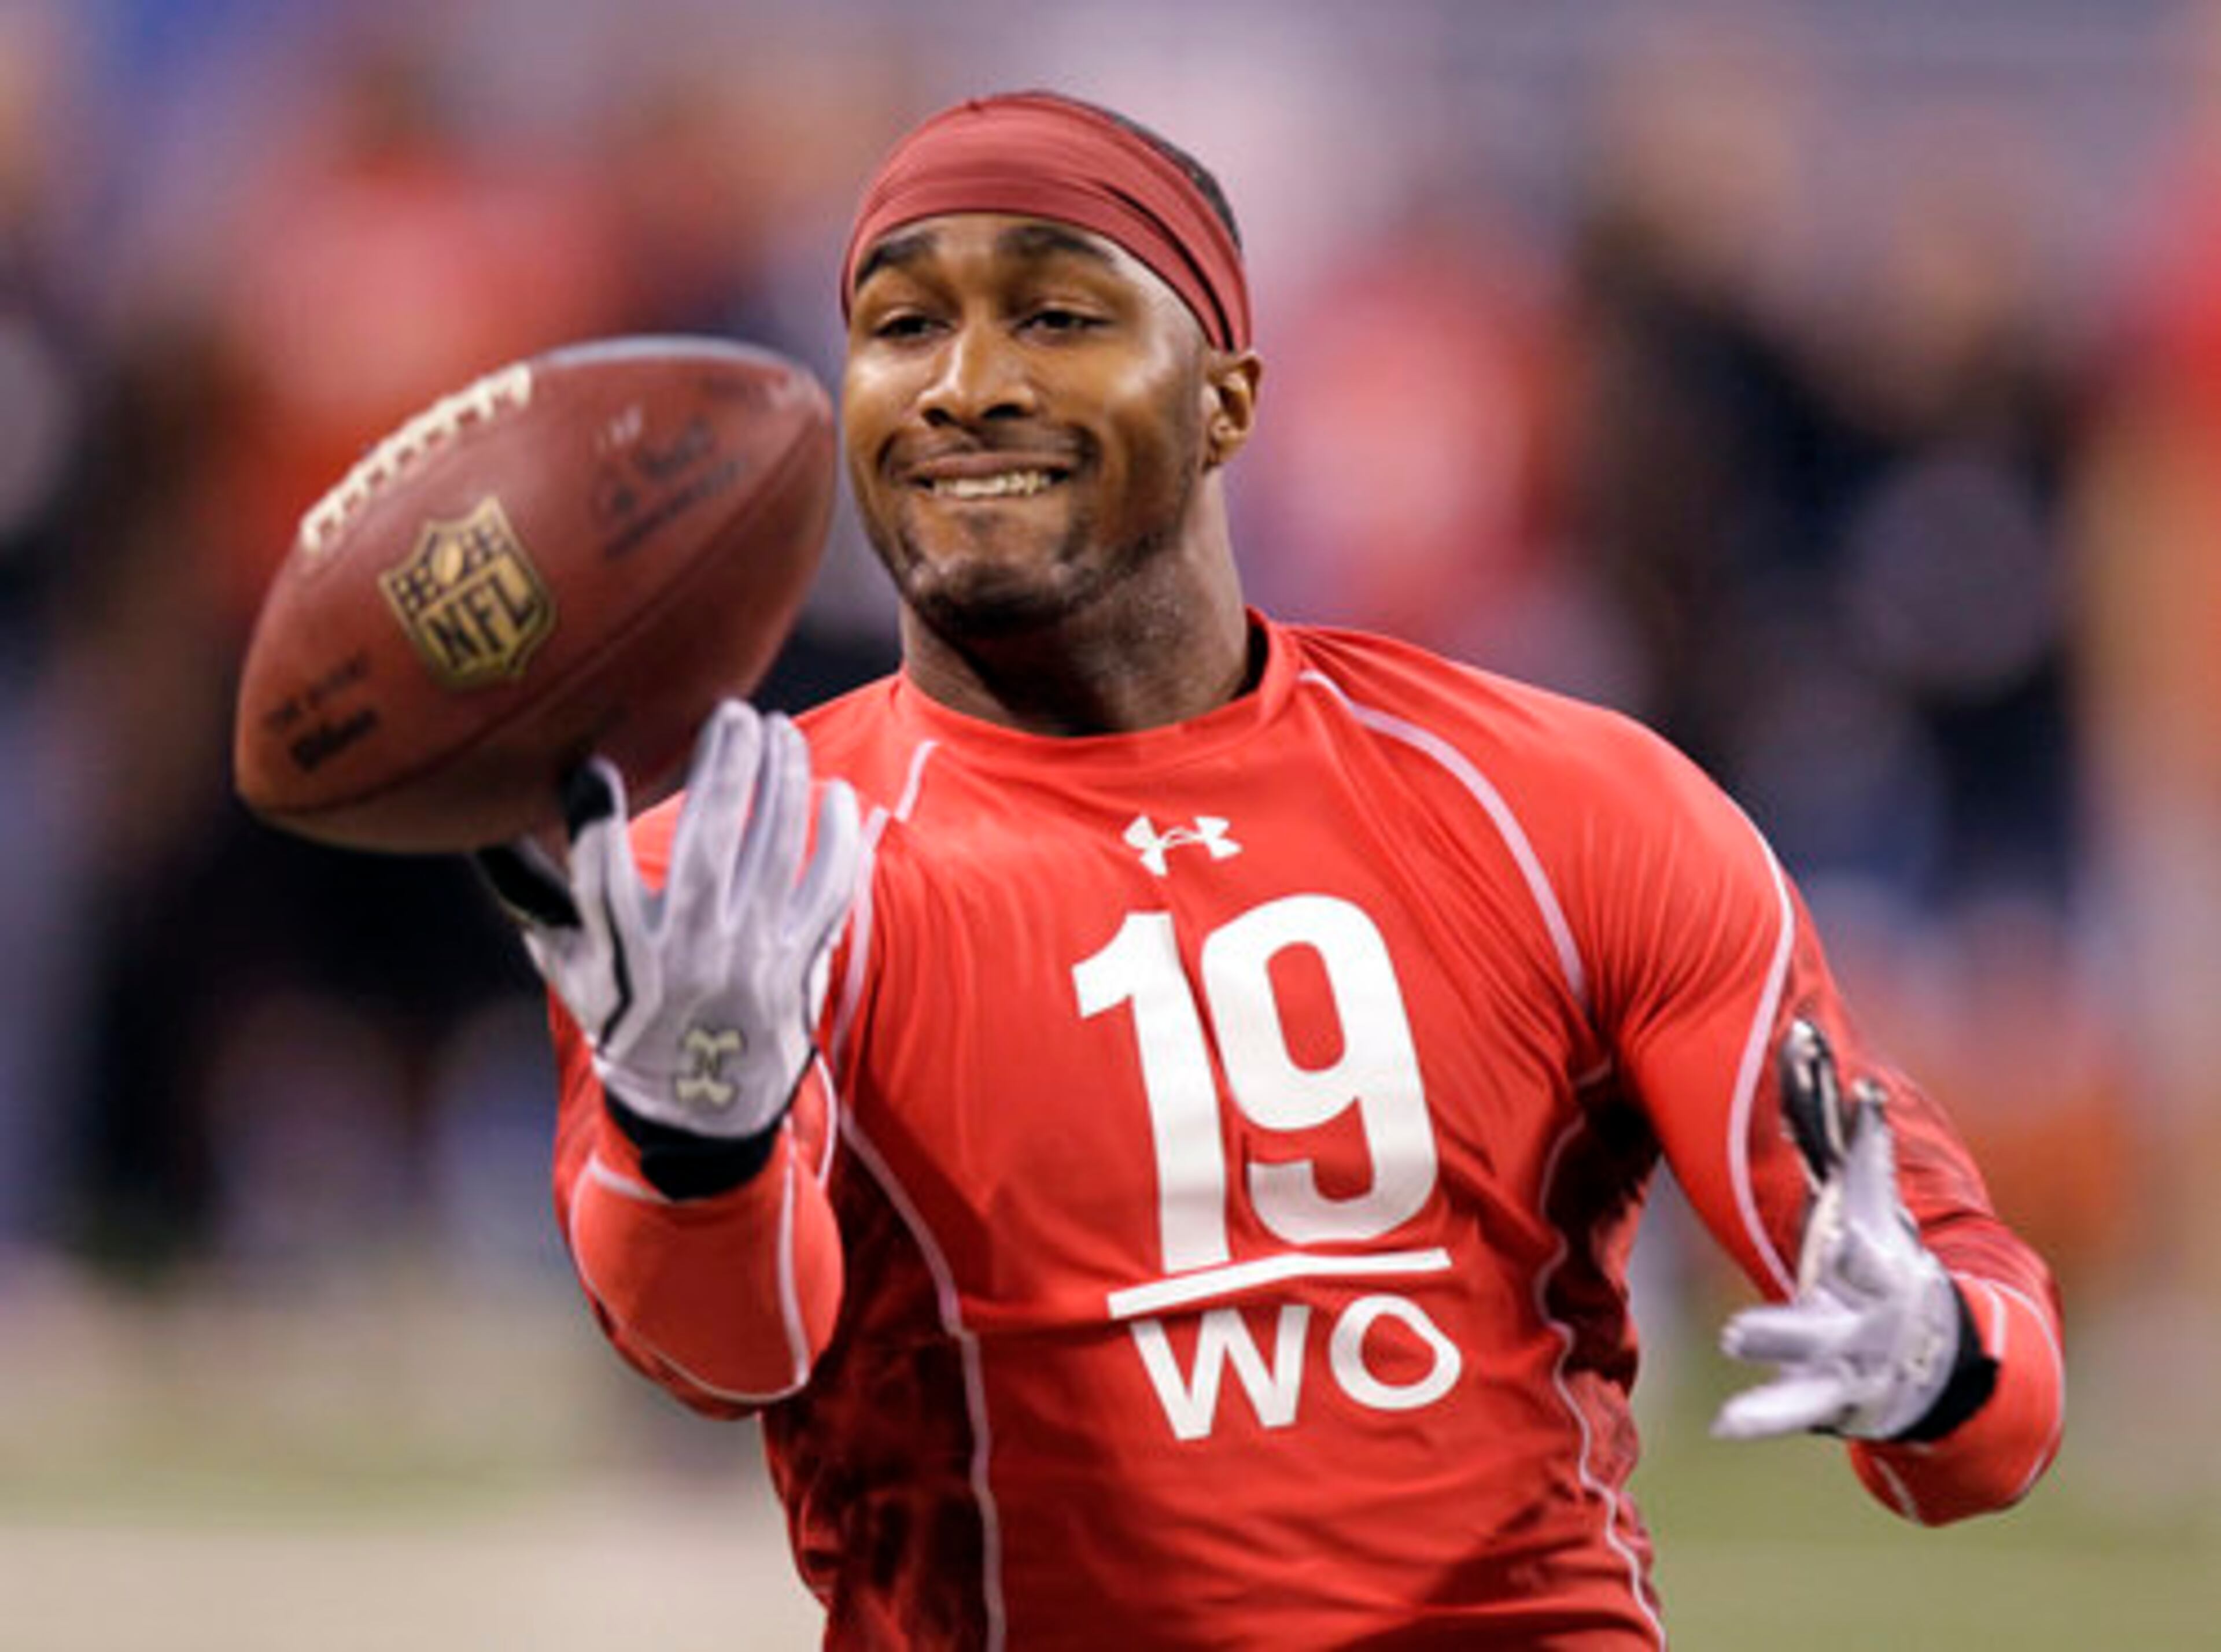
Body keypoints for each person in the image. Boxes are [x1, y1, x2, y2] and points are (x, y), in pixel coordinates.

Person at [478, 91, 2064, 1650]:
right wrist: (701, 1143)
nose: (965, 384)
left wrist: (1942, 1356)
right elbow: (716, 1351)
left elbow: (1974, 1416)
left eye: (1053, 314)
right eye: (903, 326)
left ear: (1226, 397)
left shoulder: (1563, 805)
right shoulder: (749, 870)